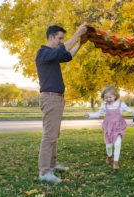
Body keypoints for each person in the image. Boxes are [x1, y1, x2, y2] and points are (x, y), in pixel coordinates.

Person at [36, 23, 87, 183]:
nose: (61, 41)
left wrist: (80, 44)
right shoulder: (43, 53)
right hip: (50, 98)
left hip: (56, 98)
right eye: (59, 38)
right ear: (51, 37)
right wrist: (78, 32)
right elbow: (62, 50)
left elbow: (67, 55)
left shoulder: (53, 55)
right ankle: (44, 172)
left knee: (54, 134)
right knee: (49, 136)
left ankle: (51, 164)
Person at [85, 86, 134, 170]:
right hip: (108, 128)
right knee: (108, 146)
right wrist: (90, 115)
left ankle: (115, 162)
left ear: (115, 96)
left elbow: (130, 110)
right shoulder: (105, 106)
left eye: (110, 97)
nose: (108, 99)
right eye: (106, 97)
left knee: (117, 144)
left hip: (118, 127)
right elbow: (98, 113)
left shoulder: (121, 105)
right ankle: (109, 155)